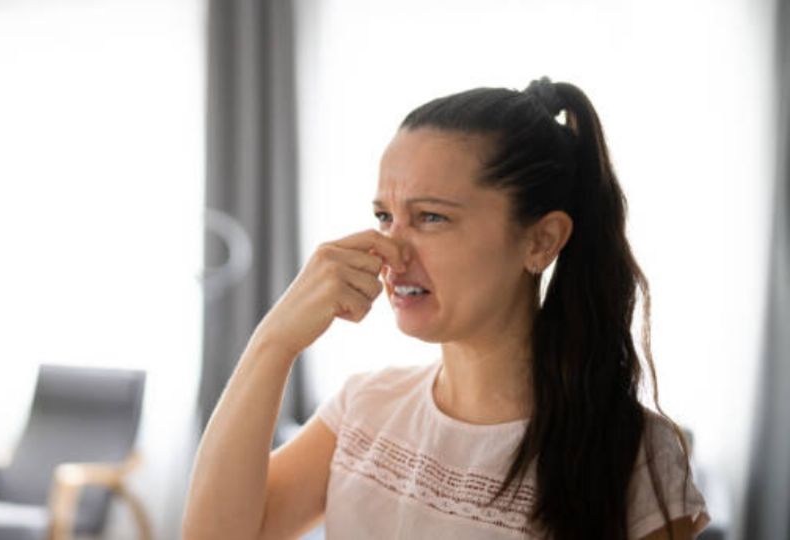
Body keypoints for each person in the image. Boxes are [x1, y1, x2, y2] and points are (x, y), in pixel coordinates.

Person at [183, 78, 711, 539]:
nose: (390, 250)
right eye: (384, 215)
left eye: (431, 217)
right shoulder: (364, 409)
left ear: (541, 241)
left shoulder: (636, 456)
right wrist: (274, 341)